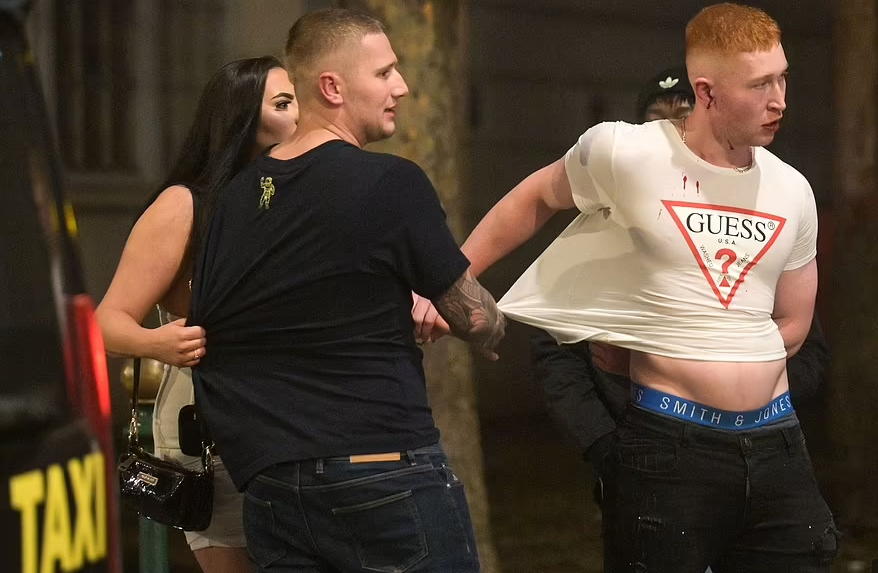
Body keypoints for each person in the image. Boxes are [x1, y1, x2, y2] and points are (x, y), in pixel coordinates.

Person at [461, 3, 838, 571]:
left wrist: (721, 356)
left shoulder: (792, 189)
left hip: (778, 444)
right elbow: (535, 197)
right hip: (671, 443)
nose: (780, 99)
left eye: (782, 78)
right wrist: (453, 280)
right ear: (706, 92)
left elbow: (795, 324)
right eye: (760, 84)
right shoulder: (627, 152)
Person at [187, 8, 504, 573]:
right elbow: (475, 319)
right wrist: (491, 321)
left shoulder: (233, 198)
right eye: (383, 73)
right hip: (383, 477)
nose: (401, 87)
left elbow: (215, 325)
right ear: (332, 87)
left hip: (272, 489)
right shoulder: (391, 182)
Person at [531, 64, 830, 513]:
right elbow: (556, 350)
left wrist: (748, 405)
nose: (673, 129)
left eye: (683, 116)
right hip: (639, 449)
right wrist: (606, 444)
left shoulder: (765, 214)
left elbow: (807, 348)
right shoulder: (607, 223)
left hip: (757, 451)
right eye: (658, 119)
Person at [96, 56, 299, 573]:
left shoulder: (290, 198)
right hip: (211, 432)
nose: (300, 114)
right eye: (283, 103)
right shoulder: (184, 205)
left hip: (295, 431)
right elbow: (106, 322)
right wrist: (158, 343)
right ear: (241, 119)